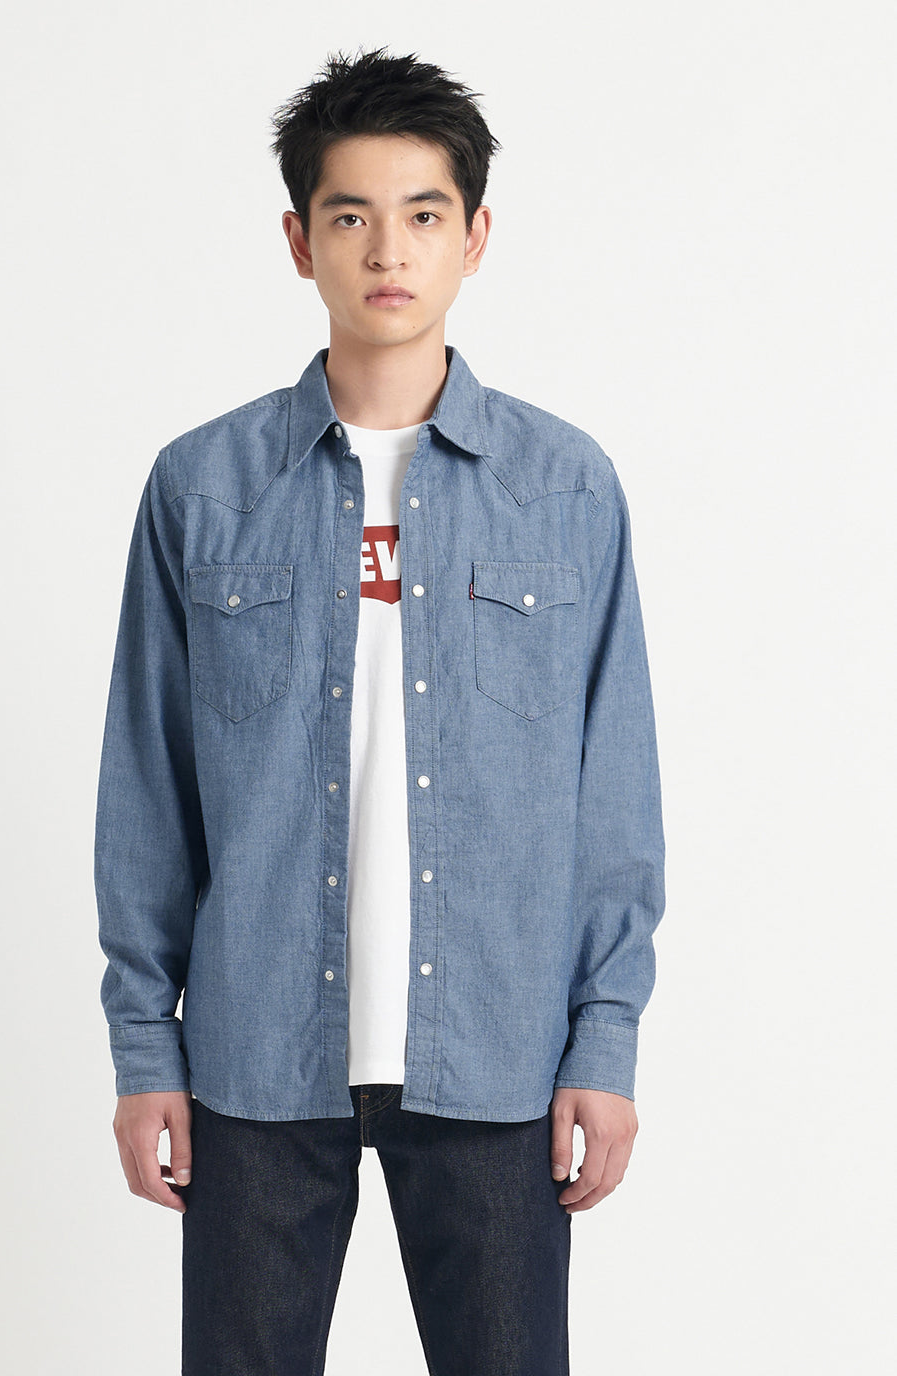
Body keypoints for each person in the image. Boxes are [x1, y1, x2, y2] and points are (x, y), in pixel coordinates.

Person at [94, 46, 666, 1376]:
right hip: (252, 1056)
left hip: (499, 1055)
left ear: (477, 236)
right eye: (350, 215)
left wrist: (607, 1038)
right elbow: (147, 786)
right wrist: (142, 1048)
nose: (388, 250)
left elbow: (614, 787)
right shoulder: (203, 487)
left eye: (422, 214)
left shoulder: (565, 489)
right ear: (300, 241)